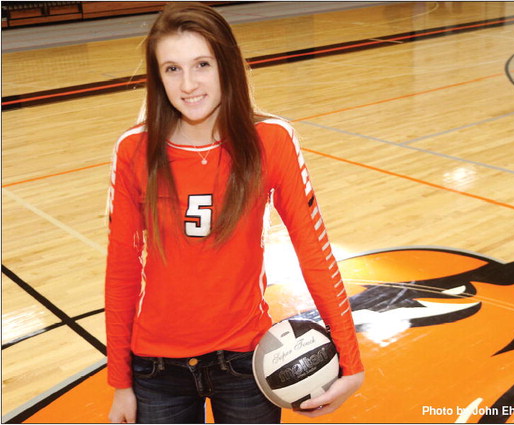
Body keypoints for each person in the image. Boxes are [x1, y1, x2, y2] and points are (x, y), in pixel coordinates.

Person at [105, 2, 364, 423]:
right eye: (172, 69)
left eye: (202, 64)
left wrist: (351, 361)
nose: (188, 84)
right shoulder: (134, 149)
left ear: (226, 64)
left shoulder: (272, 140)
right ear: (158, 77)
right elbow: (122, 271)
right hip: (157, 370)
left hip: (246, 363)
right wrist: (120, 382)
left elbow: (314, 253)